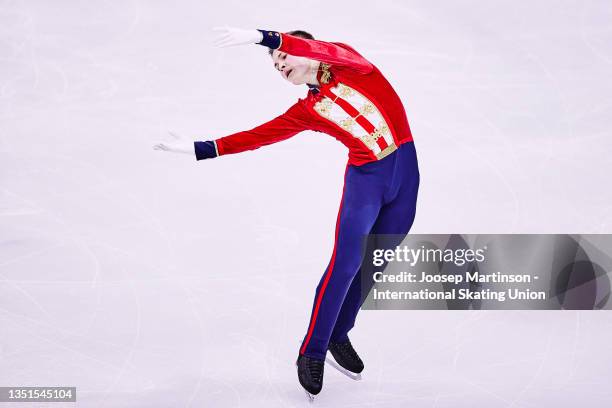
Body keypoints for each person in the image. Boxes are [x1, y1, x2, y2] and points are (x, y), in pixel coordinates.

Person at [153, 26, 420, 398]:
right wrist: (202, 148)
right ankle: (312, 350)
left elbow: (320, 48)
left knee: (377, 259)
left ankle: (339, 334)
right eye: (275, 64)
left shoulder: (352, 65)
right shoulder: (309, 109)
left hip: (405, 170)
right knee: (345, 263)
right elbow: (260, 135)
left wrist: (265, 37)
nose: (279, 66)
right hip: (366, 180)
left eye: (283, 58)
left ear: (309, 52)